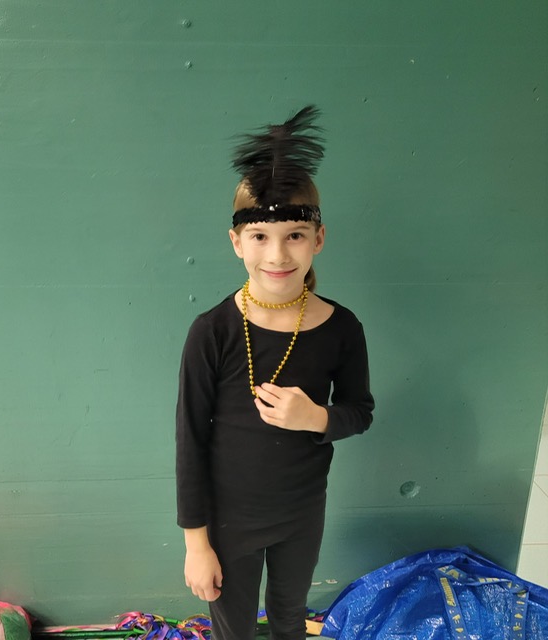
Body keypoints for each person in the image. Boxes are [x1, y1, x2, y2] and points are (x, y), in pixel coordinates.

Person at [175, 106, 374, 640]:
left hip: (302, 513)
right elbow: (190, 440)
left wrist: (316, 418)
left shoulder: (341, 327)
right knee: (235, 628)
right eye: (260, 236)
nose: (278, 254)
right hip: (229, 519)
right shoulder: (212, 331)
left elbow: (359, 411)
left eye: (295, 235)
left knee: (289, 617)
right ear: (236, 242)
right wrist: (196, 544)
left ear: (319, 238)